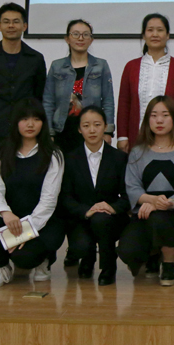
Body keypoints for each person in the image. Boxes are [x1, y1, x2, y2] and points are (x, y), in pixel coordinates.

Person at [0, 99, 65, 288]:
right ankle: (2, 267)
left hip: (43, 221)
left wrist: (24, 233)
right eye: (24, 119)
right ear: (15, 122)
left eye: (36, 119)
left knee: (24, 259)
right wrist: (6, 213)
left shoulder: (53, 154)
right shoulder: (2, 151)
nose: (30, 124)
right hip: (12, 218)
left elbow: (49, 201)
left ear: (43, 123)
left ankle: (44, 260)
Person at [117, 96, 174, 286]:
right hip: (144, 213)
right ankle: (153, 254)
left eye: (165, 115)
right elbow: (132, 187)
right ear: (147, 120)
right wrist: (151, 201)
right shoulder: (138, 151)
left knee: (159, 218)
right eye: (154, 115)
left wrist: (161, 204)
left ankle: (169, 261)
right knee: (127, 251)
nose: (159, 120)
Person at [57, 106, 130, 285]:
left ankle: (108, 266)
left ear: (105, 126)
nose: (92, 130)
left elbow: (128, 195)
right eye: (86, 125)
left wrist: (112, 208)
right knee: (81, 245)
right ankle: (87, 258)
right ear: (79, 129)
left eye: (97, 124)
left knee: (101, 220)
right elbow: (65, 197)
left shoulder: (119, 158)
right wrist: (86, 211)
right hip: (81, 216)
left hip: (110, 218)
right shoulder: (70, 158)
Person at [0, 3, 47, 151]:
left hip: (25, 131)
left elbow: (38, 95)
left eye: (16, 21)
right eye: (6, 22)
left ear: (24, 26)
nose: (11, 26)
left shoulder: (35, 59)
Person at [117, 14, 174, 153]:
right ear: (144, 35)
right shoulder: (131, 67)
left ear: (168, 35)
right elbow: (124, 103)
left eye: (160, 30)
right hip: (137, 137)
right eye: (150, 30)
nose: (155, 34)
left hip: (171, 140)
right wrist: (122, 136)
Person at [43, 19, 115, 155]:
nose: (80, 38)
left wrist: (108, 131)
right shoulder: (57, 66)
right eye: (75, 34)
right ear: (67, 39)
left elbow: (108, 101)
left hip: (92, 131)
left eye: (85, 34)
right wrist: (49, 132)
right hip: (62, 130)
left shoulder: (101, 66)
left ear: (91, 40)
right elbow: (48, 101)